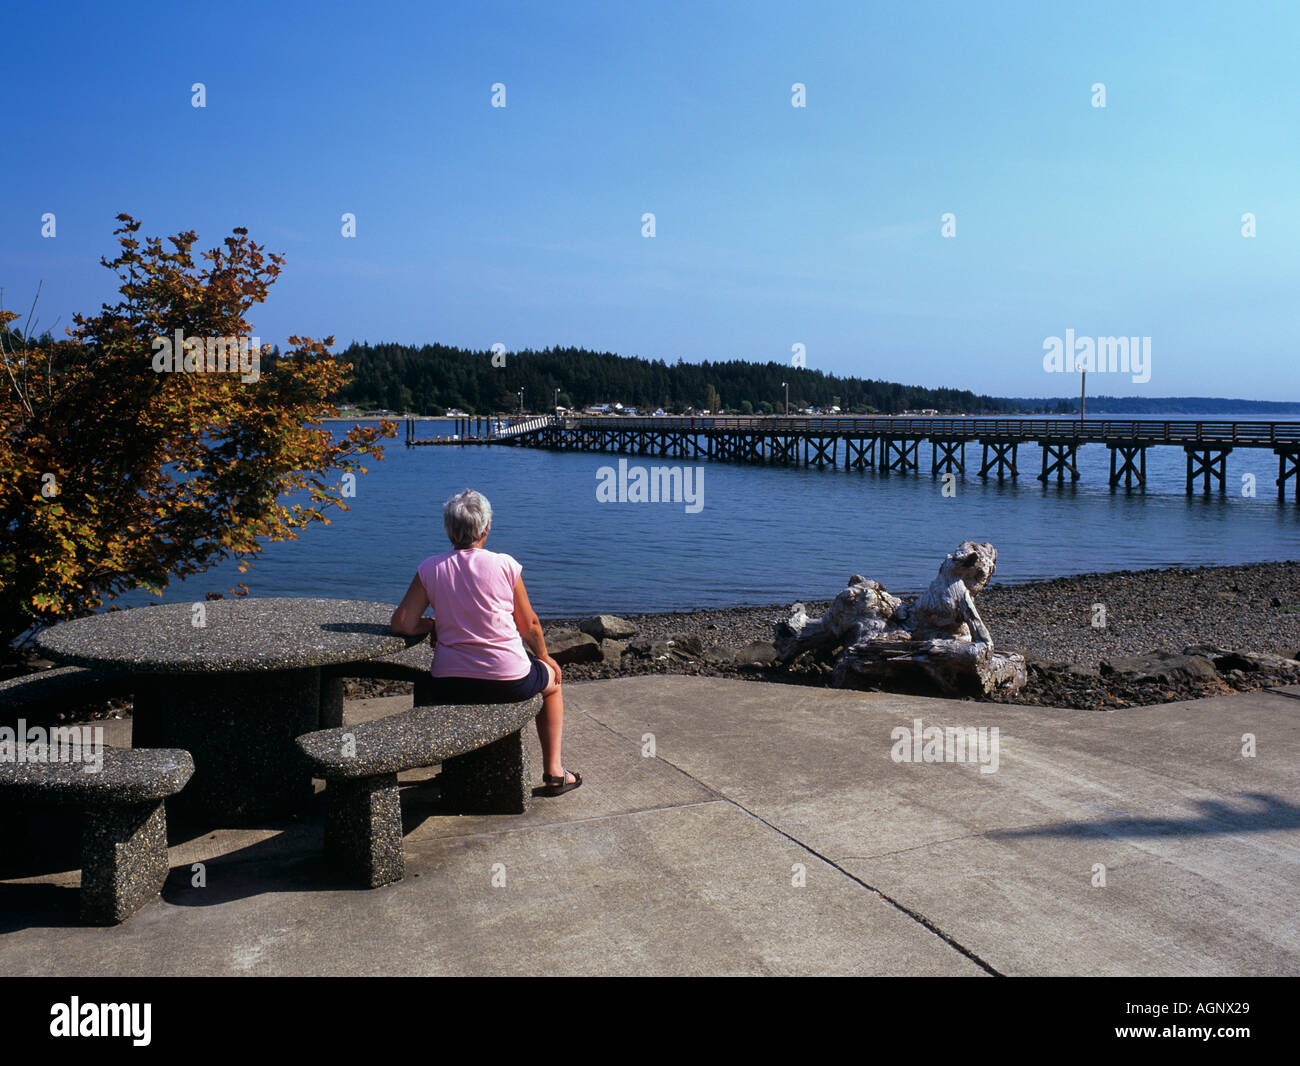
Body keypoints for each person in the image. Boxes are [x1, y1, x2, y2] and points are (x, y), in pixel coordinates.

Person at [389, 488, 581, 796]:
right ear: (486, 528)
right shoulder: (505, 565)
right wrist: (545, 656)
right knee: (553, 683)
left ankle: (454, 768)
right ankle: (555, 772)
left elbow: (402, 624)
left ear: (448, 529)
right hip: (508, 681)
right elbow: (529, 624)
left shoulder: (431, 568)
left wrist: (433, 623)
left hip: (449, 684)